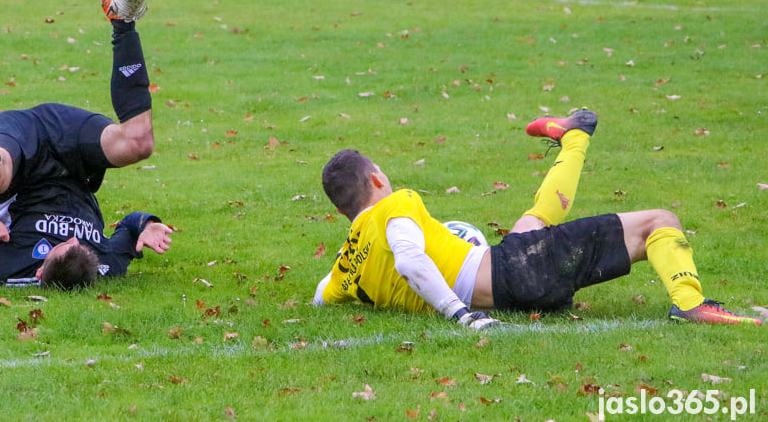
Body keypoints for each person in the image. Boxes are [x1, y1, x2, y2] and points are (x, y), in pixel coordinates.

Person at [313, 110, 761, 328]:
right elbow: (410, 260)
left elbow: (320, 297)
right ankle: (691, 303)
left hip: (508, 273)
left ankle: (573, 137)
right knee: (660, 220)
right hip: (514, 275)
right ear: (376, 180)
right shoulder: (396, 205)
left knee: (535, 221)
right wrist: (459, 314)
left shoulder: (347, 262)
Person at [0, 0, 173, 289]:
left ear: (42, 270)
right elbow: (129, 227)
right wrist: (148, 224)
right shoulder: (104, 263)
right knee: (139, 144)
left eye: (63, 245)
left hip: (24, 157)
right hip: (75, 156)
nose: (72, 237)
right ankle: (123, 20)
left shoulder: (7, 268)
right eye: (79, 244)